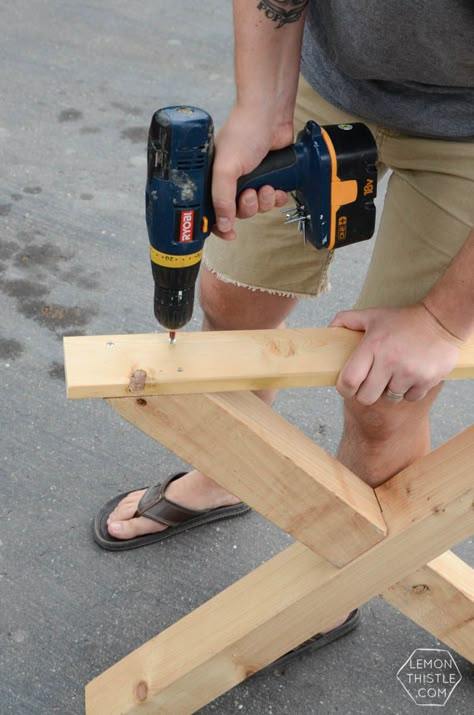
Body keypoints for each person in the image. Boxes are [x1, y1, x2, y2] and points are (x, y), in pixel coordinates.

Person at [93, 0, 474, 655]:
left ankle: (330, 580)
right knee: (231, 298)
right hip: (329, 88)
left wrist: (441, 321)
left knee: (382, 392)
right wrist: (260, 106)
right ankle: (228, 472)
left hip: (466, 129)